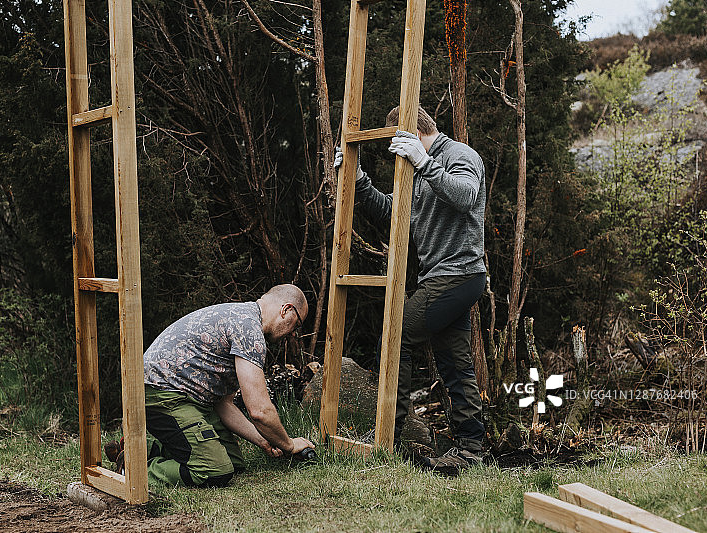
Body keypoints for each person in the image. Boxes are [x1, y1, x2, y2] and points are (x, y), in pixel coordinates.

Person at [334, 105, 487, 475]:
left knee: (396, 334)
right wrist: (357, 179)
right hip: (440, 279)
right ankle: (470, 449)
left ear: (412, 133)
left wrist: (424, 162)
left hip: (459, 275)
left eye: (397, 142)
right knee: (455, 365)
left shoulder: (459, 156)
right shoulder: (419, 173)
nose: (396, 151)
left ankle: (392, 436)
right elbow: (395, 216)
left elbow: (465, 195)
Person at [105, 284, 315, 488]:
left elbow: (224, 404)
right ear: (286, 309)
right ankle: (134, 468)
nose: (294, 333)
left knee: (233, 463)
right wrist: (289, 444)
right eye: (296, 325)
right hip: (160, 394)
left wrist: (264, 441)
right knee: (214, 470)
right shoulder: (249, 330)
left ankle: (139, 449)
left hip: (187, 398)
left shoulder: (241, 317)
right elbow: (259, 410)